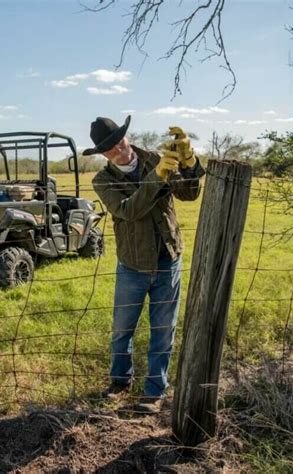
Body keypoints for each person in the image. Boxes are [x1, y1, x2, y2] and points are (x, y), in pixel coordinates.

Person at [83, 115, 205, 403]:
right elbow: (129, 211)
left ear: (126, 136)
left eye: (118, 141)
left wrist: (189, 163)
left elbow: (189, 194)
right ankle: (119, 382)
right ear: (102, 154)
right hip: (133, 265)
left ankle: (154, 392)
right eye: (109, 148)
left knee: (163, 333)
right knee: (121, 330)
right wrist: (158, 176)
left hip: (168, 260)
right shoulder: (104, 180)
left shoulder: (154, 158)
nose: (117, 149)